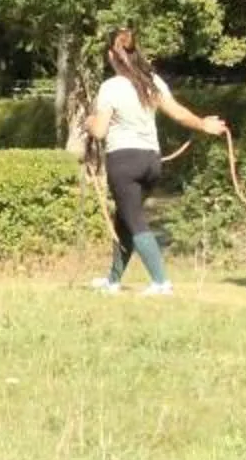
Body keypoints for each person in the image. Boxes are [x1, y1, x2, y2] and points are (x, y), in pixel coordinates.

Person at [84, 27, 228, 296]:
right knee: (125, 220)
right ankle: (113, 281)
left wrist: (89, 122)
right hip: (151, 160)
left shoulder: (111, 87)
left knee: (134, 220)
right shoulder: (152, 82)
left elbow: (100, 131)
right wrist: (203, 124)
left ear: (110, 56)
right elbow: (178, 112)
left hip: (123, 160)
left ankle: (161, 282)